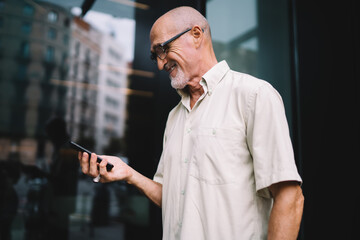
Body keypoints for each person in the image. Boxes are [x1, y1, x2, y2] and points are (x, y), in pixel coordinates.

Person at [78, 6, 304, 240]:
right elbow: (174, 198)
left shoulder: (254, 95)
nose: (159, 64)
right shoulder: (175, 116)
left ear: (196, 35)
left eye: (163, 49)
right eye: (155, 55)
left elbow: (290, 197)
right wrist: (129, 175)